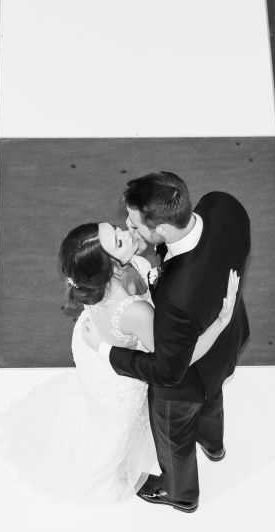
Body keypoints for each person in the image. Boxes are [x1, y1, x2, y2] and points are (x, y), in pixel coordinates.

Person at [82, 172, 250, 513]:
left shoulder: (176, 297)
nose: (128, 228)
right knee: (213, 394)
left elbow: (167, 370)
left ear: (162, 229)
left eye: (135, 224)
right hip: (228, 342)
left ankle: (181, 493)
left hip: (185, 381)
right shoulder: (223, 204)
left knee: (174, 439)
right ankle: (213, 443)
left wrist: (107, 352)